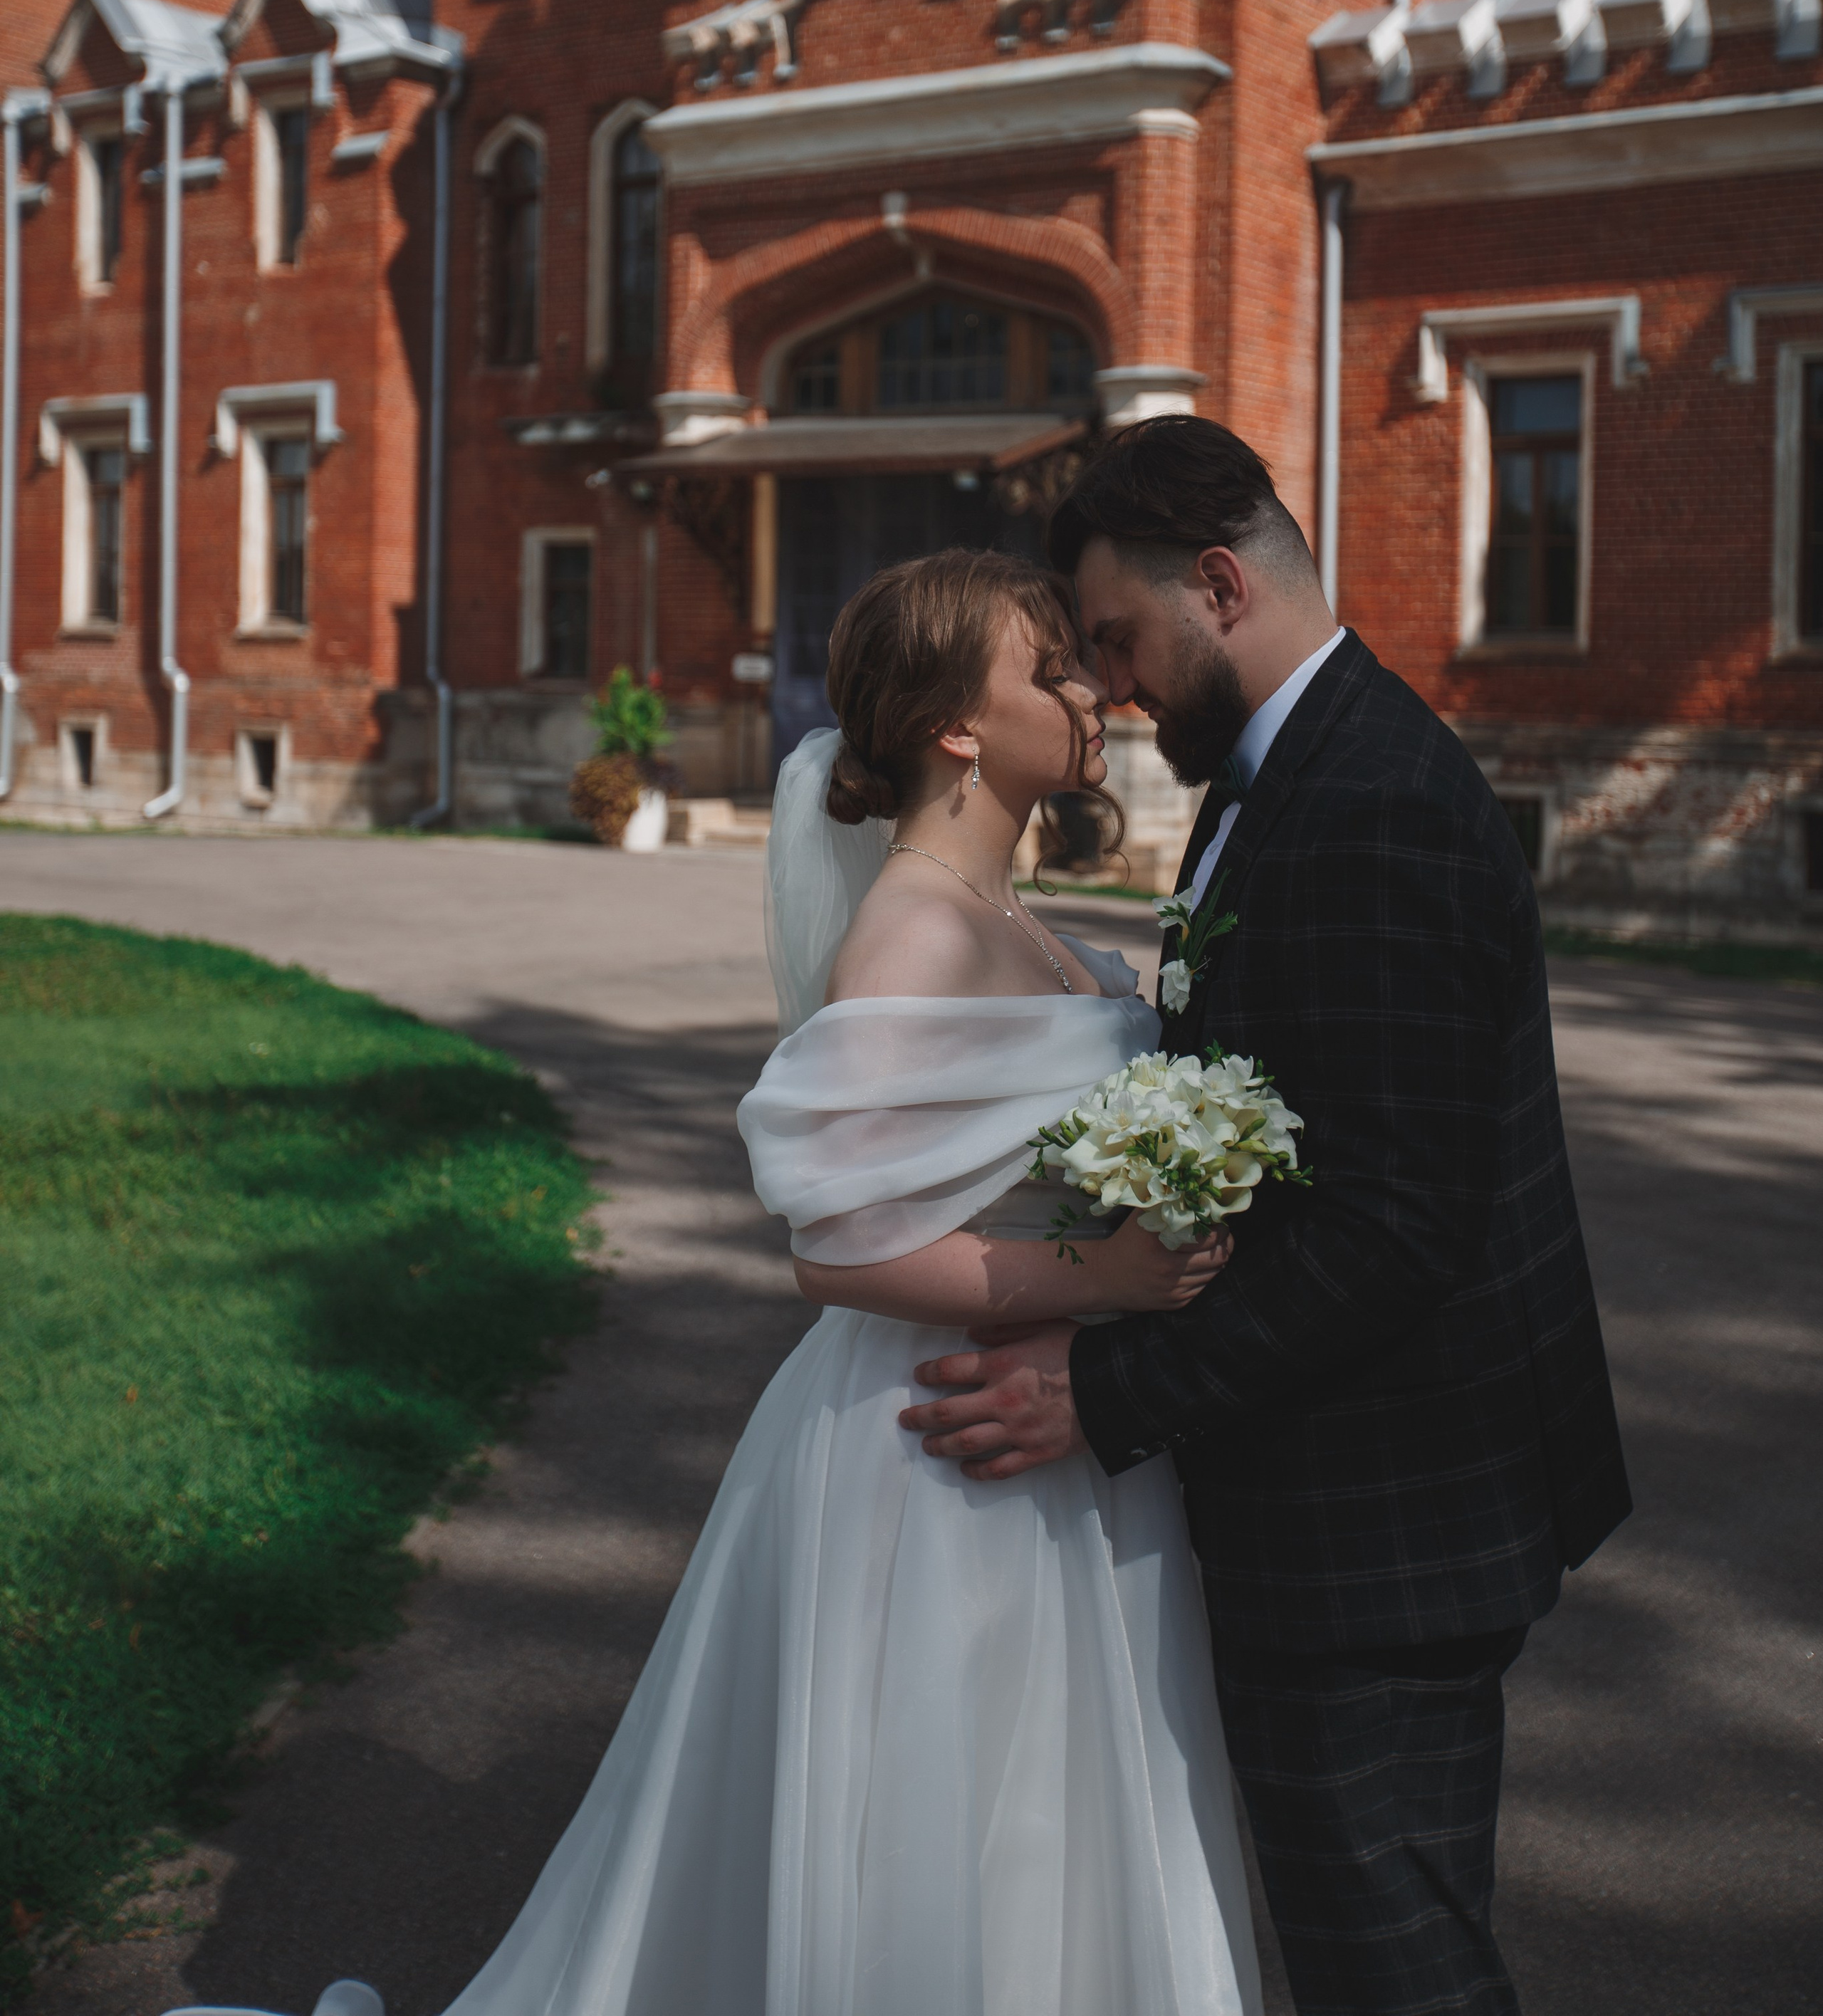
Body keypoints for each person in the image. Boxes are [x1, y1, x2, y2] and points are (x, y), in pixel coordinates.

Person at [418, 549, 1263, 2016]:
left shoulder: (1021, 923)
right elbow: (838, 1246)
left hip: (1060, 1435)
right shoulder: (913, 932)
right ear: (952, 724)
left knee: (1060, 1815)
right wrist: (1109, 1267)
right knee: (938, 1832)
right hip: (933, 1445)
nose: (1085, 692)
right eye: (1045, 667)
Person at [902, 417, 1632, 2016]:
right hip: (1334, 1494)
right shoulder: (1282, 769)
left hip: (1383, 1522)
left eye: (1116, 638)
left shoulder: (1369, 798)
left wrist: (1098, 1393)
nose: (1113, 685)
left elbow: (1391, 1227)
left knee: (1393, 1965)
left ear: (1219, 583)